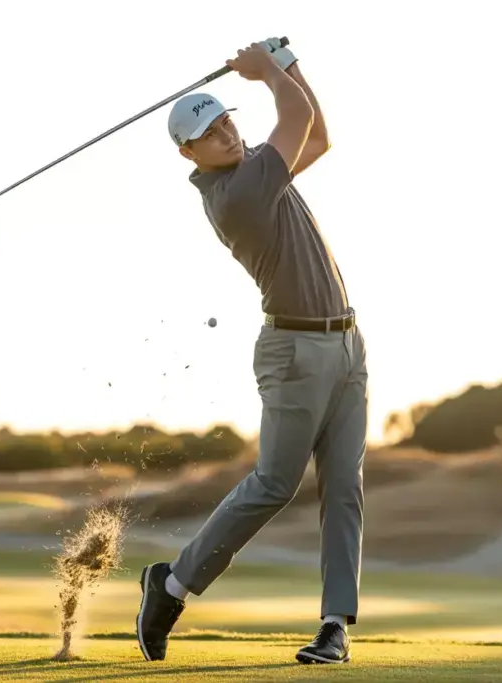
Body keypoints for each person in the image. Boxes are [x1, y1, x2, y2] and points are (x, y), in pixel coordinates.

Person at [133, 39, 369, 665]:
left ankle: (334, 626)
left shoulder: (259, 168)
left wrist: (287, 66)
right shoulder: (238, 194)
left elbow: (315, 138)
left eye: (227, 121)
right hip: (295, 352)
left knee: (344, 488)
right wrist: (269, 70)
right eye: (210, 135)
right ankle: (172, 586)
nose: (227, 135)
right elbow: (296, 121)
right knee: (275, 484)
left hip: (346, 345)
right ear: (189, 153)